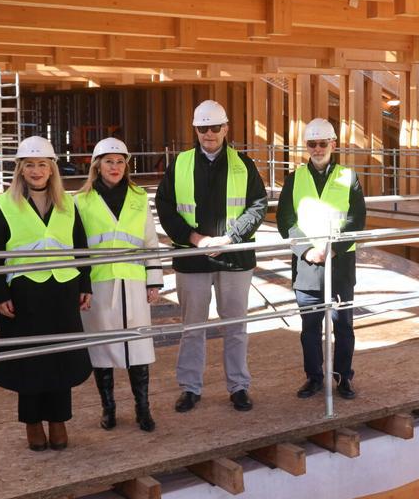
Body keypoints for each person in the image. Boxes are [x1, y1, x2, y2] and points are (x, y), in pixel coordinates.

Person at [154, 100, 267, 413]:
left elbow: (258, 205)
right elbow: (164, 206)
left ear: (226, 128)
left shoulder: (244, 165)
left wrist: (230, 239)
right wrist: (196, 239)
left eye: (215, 127)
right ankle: (190, 388)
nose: (209, 134)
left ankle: (239, 387)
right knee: (192, 328)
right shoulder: (180, 164)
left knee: (236, 327)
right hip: (193, 259)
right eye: (203, 128)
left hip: (234, 259)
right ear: (195, 130)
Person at [0, 136, 92, 452]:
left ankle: (58, 420)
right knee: (31, 359)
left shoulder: (68, 203)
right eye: (29, 165)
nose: (36, 171)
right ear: (20, 169)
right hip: (25, 293)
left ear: (51, 169)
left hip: (63, 290)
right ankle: (33, 422)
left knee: (59, 357)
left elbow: (80, 248)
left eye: (42, 165)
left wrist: (84, 284)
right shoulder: (5, 204)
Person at [74, 137, 163, 433]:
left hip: (134, 282)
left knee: (138, 346)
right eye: (109, 161)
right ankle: (108, 409)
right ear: (97, 166)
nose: (115, 167)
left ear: (126, 165)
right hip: (98, 284)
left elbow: (150, 242)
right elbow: (77, 248)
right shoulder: (80, 201)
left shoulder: (139, 197)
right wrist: (80, 286)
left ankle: (143, 408)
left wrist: (154, 281)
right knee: (102, 350)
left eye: (120, 161)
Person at [276, 118, 366, 400]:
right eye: (312, 144)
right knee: (310, 328)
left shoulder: (348, 177)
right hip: (307, 265)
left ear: (333, 144)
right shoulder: (295, 178)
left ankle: (343, 378)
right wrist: (307, 250)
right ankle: (314, 377)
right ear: (307, 147)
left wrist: (334, 249)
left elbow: (356, 219)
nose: (317, 149)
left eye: (322, 143)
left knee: (343, 325)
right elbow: (285, 220)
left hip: (339, 264)